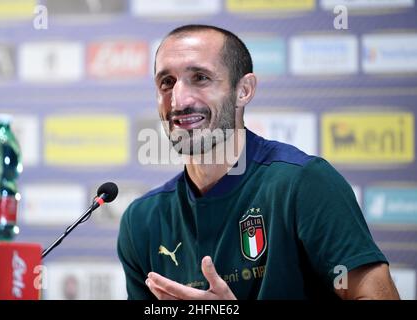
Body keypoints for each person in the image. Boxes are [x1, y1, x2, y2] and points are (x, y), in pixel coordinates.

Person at [117, 24, 400, 300]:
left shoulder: (304, 184)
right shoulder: (142, 221)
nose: (178, 100)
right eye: (166, 82)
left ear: (244, 90)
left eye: (200, 78)